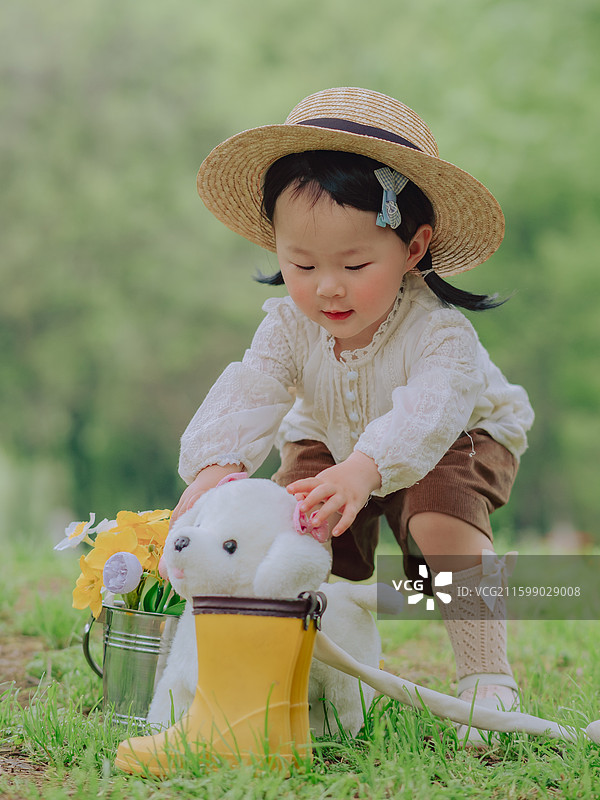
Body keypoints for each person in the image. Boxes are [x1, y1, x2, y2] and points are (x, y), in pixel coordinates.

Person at [172, 87, 534, 738]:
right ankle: (319, 680)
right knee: (299, 536)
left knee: (437, 520)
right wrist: (215, 466)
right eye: (301, 264)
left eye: (355, 263)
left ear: (414, 247)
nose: (326, 286)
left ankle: (486, 678)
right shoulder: (287, 327)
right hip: (330, 434)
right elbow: (252, 388)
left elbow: (429, 410)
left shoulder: (440, 334)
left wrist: (366, 468)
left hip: (457, 433)